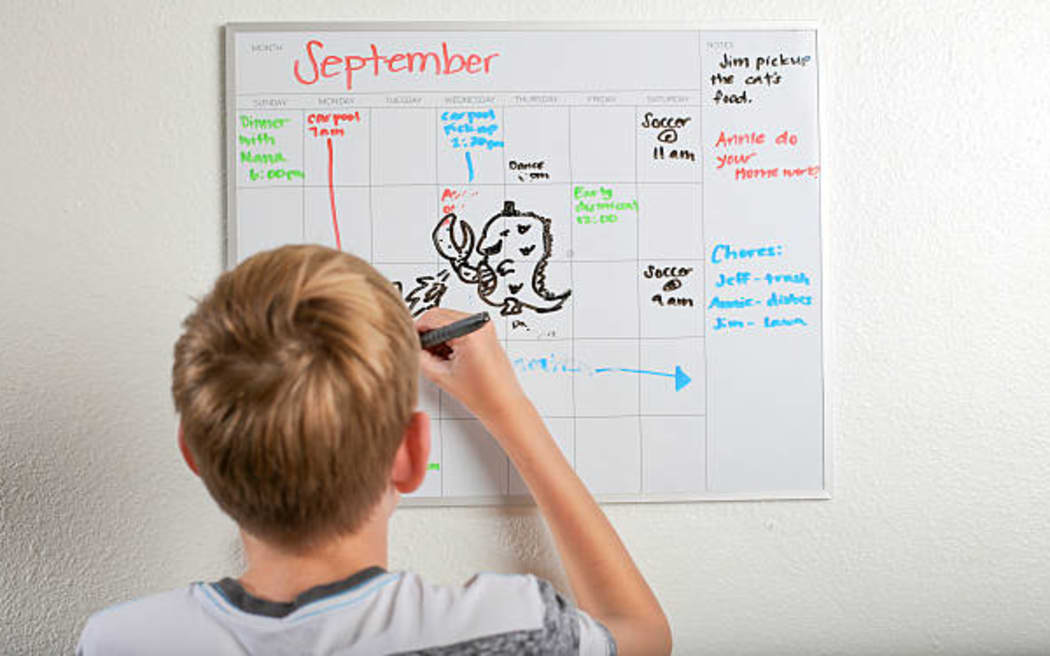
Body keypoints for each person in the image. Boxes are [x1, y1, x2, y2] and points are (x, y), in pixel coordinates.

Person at [77, 245, 671, 655]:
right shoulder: (511, 625)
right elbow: (644, 635)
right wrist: (506, 406)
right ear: (411, 453)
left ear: (194, 456)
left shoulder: (121, 642)